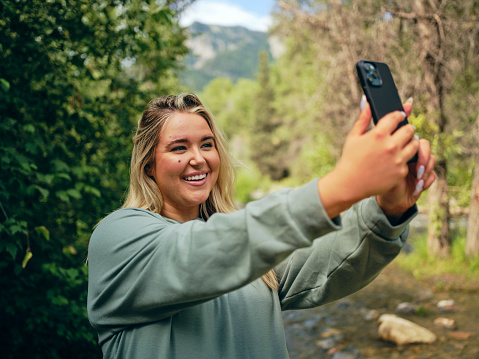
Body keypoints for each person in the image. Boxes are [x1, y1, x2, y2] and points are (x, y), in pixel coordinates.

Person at [87, 93, 435, 359]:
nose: (198, 158)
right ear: (149, 165)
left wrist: (388, 210)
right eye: (179, 147)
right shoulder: (118, 237)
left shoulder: (249, 247)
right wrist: (341, 186)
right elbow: (197, 254)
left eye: (207, 144)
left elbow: (333, 260)